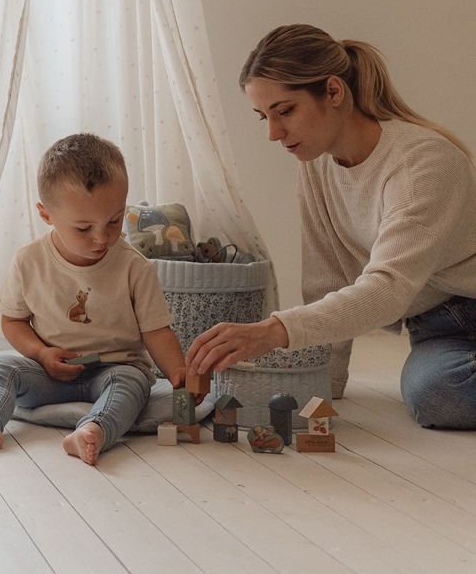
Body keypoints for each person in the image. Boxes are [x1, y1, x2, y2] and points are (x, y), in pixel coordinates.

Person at [187, 24, 476, 429]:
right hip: (438, 327)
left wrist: (275, 330)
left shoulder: (422, 166)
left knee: (438, 396)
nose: (273, 133)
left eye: (285, 111)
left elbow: (389, 289)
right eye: (263, 116)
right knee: (436, 393)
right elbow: (327, 279)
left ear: (335, 92)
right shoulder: (318, 164)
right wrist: (325, 386)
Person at [0, 133, 187, 464]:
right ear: (46, 214)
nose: (102, 237)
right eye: (84, 228)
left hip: (114, 368)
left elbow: (156, 331)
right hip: (49, 371)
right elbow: (13, 321)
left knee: (134, 383)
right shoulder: (29, 261)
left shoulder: (134, 268)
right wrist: (40, 353)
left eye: (114, 220)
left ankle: (94, 430)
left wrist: (179, 374)